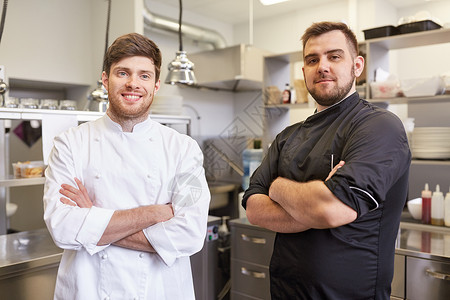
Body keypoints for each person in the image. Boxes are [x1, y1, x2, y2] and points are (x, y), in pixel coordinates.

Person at [243, 21, 411, 299]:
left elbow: (331, 210)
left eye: (334, 56)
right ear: (304, 71)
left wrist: (277, 188)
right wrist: (314, 203)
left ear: (357, 66)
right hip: (285, 290)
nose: (322, 66)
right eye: (312, 59)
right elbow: (254, 209)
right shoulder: (287, 136)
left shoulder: (379, 126)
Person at [43, 33, 210, 300]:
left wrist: (92, 218)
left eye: (144, 75)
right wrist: (154, 213)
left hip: (160, 291)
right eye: (123, 73)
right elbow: (63, 228)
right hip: (89, 289)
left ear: (156, 85)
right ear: (106, 79)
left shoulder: (184, 150)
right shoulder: (69, 144)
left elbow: (189, 235)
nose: (133, 84)